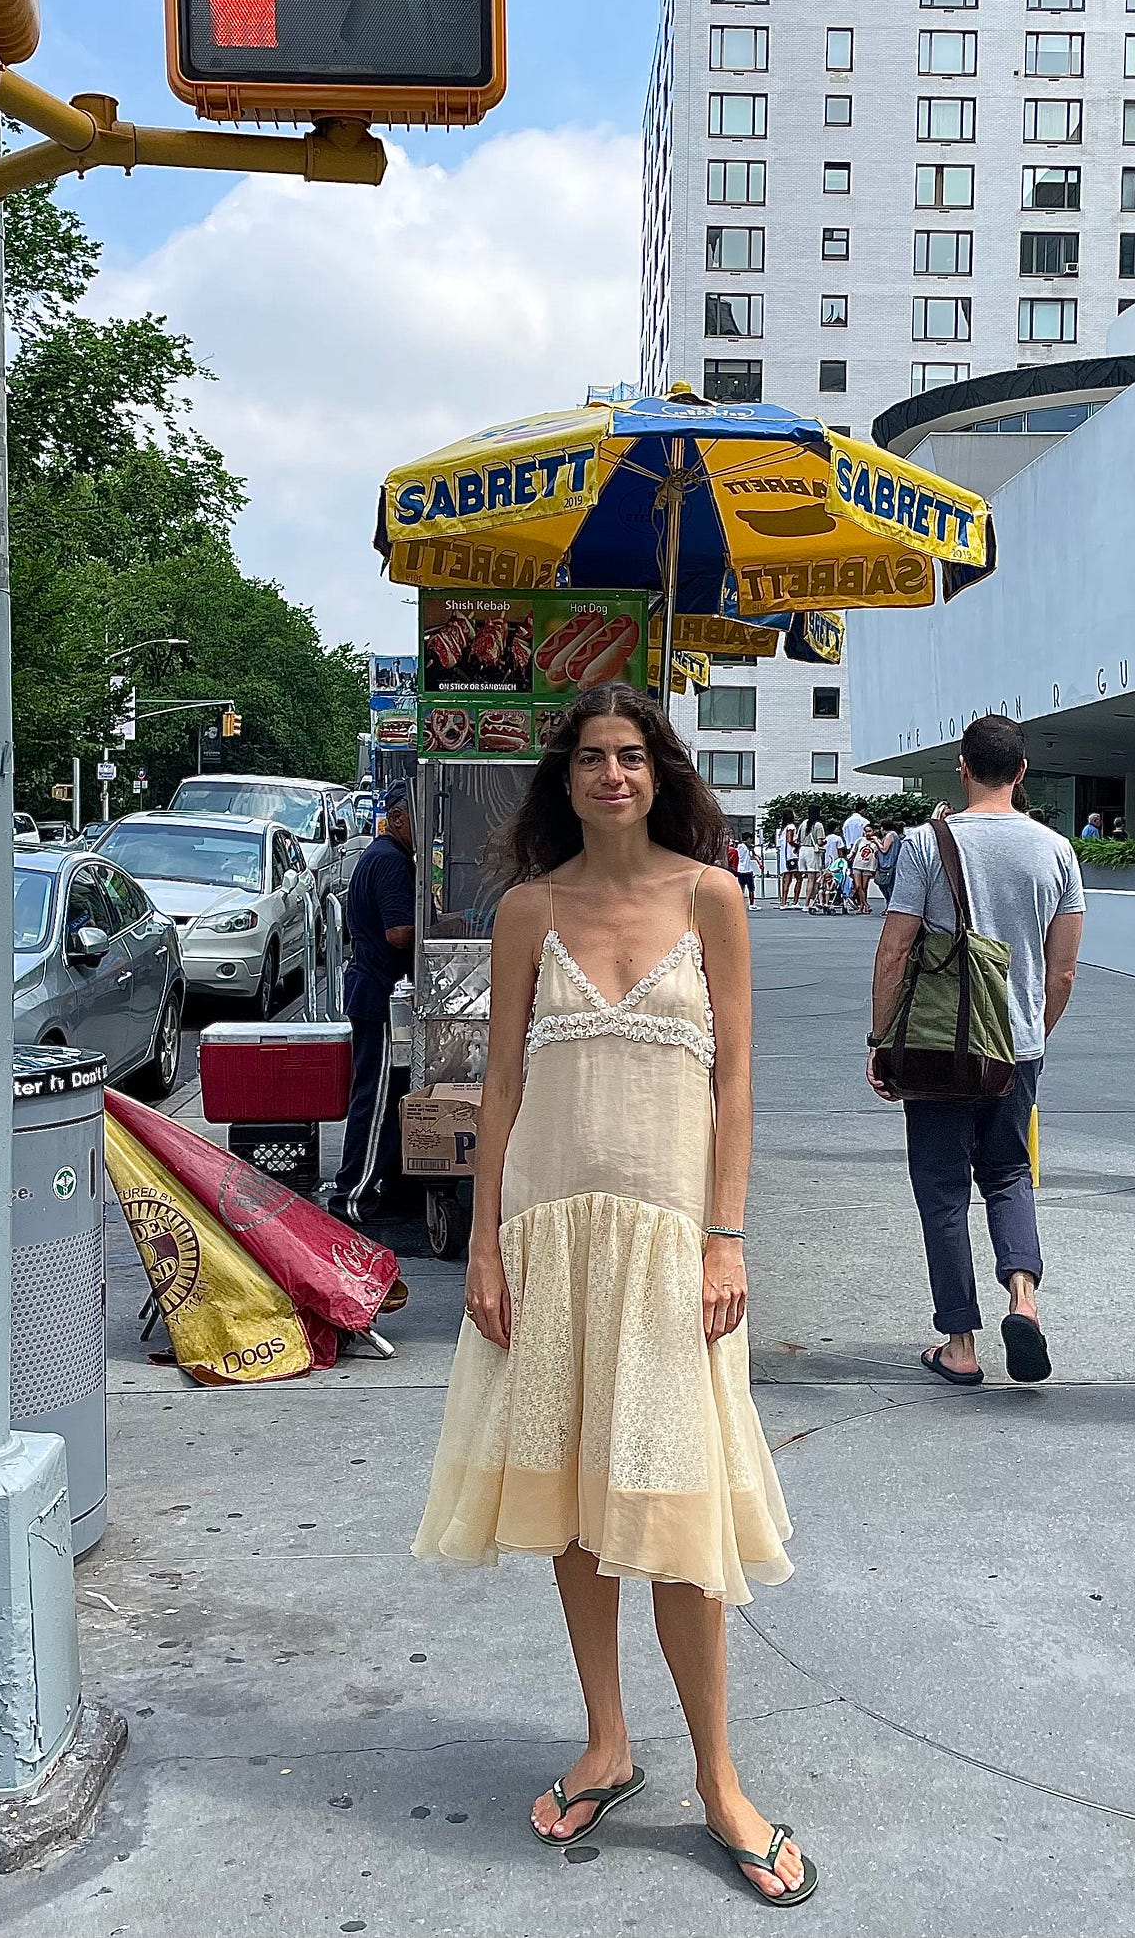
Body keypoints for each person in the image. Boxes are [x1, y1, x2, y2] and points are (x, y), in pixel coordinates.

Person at [413, 683, 813, 1903]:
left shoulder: (711, 897)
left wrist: (726, 1238)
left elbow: (735, 1083)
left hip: (672, 1247)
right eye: (591, 757)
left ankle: (718, 1780)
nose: (612, 775)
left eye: (631, 755)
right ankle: (606, 1742)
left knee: (680, 1515)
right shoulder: (528, 910)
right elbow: (497, 1089)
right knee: (574, 1503)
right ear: (566, 777)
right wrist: (484, 1248)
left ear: (660, 770)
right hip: (549, 1236)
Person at [867, 715, 1085, 1385]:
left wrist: (881, 1040)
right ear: (1022, 772)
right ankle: (1024, 1298)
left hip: (939, 1045)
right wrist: (1032, 1034)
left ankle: (960, 1343)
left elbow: (895, 950)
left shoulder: (925, 844)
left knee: (942, 1190)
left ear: (962, 767)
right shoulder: (1057, 851)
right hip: (1016, 1049)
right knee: (1010, 1173)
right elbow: (1063, 971)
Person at [328, 779, 415, 1225]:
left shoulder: (383, 855)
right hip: (378, 991)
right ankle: (352, 1196)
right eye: (418, 817)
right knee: (376, 1098)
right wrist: (437, 929)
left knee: (385, 1094)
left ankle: (384, 1188)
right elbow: (398, 933)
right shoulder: (391, 861)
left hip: (373, 987)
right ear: (397, 818)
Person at [874, 822, 904, 910]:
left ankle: (890, 907)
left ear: (883, 828)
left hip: (888, 865)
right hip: (891, 864)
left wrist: (876, 841)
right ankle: (889, 906)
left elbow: (884, 849)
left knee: (887, 886)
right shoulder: (894, 836)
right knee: (887, 886)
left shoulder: (890, 835)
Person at [851, 825, 880, 912]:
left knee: (864, 886)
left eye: (869, 831)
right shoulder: (860, 840)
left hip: (868, 866)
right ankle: (865, 904)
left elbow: (879, 853)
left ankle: (862, 905)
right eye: (866, 831)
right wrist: (851, 855)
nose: (867, 833)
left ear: (873, 831)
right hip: (857, 864)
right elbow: (854, 850)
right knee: (858, 886)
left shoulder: (877, 841)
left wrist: (876, 842)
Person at [778, 818, 801, 908]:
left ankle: (783, 901)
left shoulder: (783, 829)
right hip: (792, 856)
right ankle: (795, 901)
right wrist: (797, 846)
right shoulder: (791, 827)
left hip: (785, 857)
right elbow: (790, 840)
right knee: (799, 879)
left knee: (787, 879)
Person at [734, 836, 760, 910]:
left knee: (741, 888)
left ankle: (739, 904)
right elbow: (753, 853)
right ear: (748, 839)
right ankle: (751, 904)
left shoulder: (738, 847)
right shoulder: (746, 847)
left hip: (740, 870)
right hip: (747, 871)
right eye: (751, 839)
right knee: (751, 889)